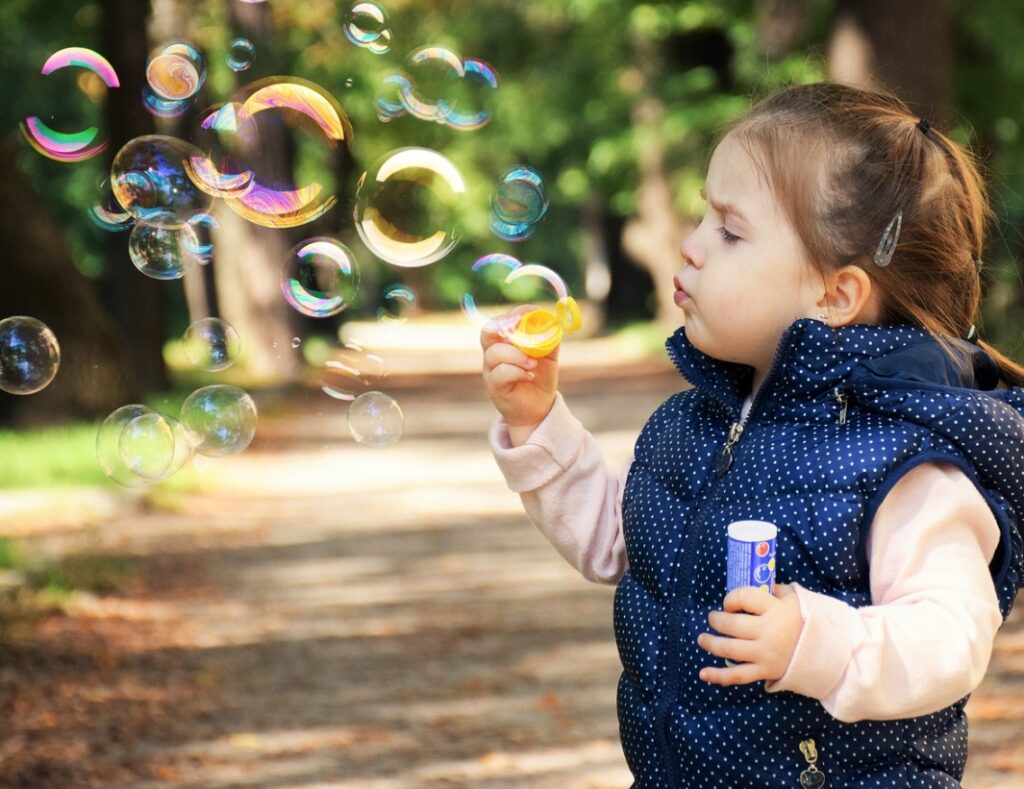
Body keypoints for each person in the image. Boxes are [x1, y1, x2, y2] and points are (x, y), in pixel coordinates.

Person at [480, 81, 1024, 788]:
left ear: (834, 295)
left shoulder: (902, 460)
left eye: (730, 231)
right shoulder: (695, 421)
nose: (692, 244)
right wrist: (536, 421)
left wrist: (816, 641)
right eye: (705, 216)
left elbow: (951, 636)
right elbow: (621, 540)